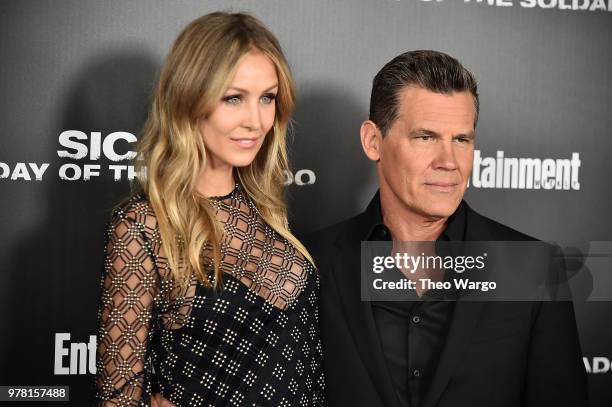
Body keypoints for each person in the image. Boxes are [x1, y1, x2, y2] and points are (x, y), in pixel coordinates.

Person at [304, 50, 588, 407]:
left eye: (461, 140)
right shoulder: (311, 264)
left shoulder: (533, 268)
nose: (448, 162)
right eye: (425, 137)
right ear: (373, 141)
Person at [95, 12, 324, 406]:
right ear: (189, 98)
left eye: (267, 98)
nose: (256, 120)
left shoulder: (267, 211)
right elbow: (117, 397)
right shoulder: (143, 226)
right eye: (233, 98)